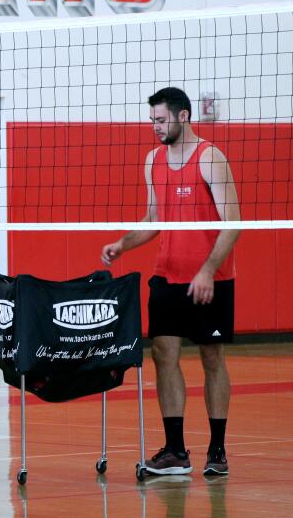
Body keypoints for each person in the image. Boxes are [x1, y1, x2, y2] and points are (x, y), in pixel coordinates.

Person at [101, 87, 240, 477]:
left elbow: (233, 224)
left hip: (210, 277)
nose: (155, 128)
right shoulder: (152, 161)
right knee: (164, 356)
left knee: (212, 359)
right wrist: (122, 243)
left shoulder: (210, 158)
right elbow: (154, 217)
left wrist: (208, 270)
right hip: (168, 275)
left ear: (183, 116)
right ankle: (176, 451)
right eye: (152, 121)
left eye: (160, 120)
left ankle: (217, 451)